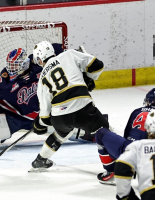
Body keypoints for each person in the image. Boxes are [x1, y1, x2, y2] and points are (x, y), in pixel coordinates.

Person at [29, 41, 109, 171]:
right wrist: (88, 79)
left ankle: (40, 159)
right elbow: (98, 65)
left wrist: (39, 124)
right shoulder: (68, 55)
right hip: (82, 108)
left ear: (39, 59)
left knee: (60, 134)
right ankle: (113, 167)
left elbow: (45, 117)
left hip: (60, 117)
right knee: (104, 131)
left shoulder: (42, 79)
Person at [95, 88, 155, 185]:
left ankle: (111, 172)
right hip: (152, 159)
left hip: (130, 153)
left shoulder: (137, 111)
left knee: (100, 133)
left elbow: (127, 135)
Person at [114, 109, 155, 200]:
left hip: (150, 194)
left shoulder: (138, 146)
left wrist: (126, 197)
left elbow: (121, 167)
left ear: (148, 127)